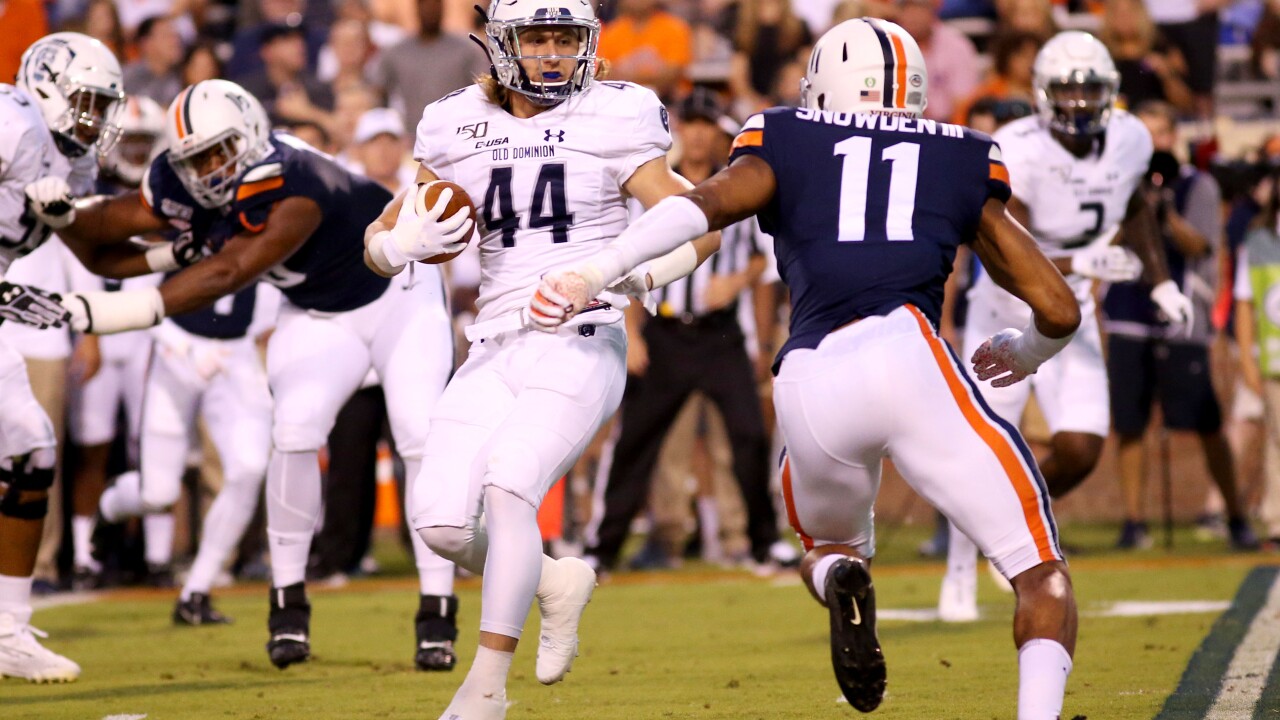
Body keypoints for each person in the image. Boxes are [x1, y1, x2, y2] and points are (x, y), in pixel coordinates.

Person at [532, 17, 1082, 719]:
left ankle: (845, 575)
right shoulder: (962, 155)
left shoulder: (784, 133)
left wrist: (596, 270)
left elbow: (701, 207)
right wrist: (1025, 350)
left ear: (823, 83)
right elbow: (1059, 309)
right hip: (905, 349)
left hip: (810, 377)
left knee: (825, 548)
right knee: (1039, 573)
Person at [14, 79, 458, 672]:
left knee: (418, 435)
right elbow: (103, 241)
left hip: (400, 292)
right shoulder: (180, 177)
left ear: (249, 139)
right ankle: (288, 607)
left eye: (219, 153)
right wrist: (65, 214)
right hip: (318, 309)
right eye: (196, 158)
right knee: (294, 432)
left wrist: (105, 313)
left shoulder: (295, 181)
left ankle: (438, 612)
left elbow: (228, 272)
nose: (208, 170)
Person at [362, 1, 718, 716]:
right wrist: (399, 247)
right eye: (538, 38)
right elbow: (379, 236)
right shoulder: (452, 121)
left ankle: (486, 688)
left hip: (582, 333)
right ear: (501, 44)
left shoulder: (617, 114)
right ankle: (555, 580)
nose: (553, 54)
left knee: (511, 486)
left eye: (566, 38)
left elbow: (697, 220)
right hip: (493, 342)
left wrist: (629, 276)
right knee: (438, 523)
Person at [939, 30, 1192, 623]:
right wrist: (1083, 262)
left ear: (1111, 93)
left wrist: (1160, 281)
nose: (1078, 103)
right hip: (1004, 312)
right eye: (1067, 91)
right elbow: (1006, 247)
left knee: (1079, 449)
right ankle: (959, 572)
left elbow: (1132, 206)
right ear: (1041, 94)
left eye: (1089, 91)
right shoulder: (1014, 147)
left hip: (1071, 316)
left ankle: (1002, 531)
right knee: (984, 453)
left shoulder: (1130, 138)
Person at [584, 88, 783, 574]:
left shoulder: (739, 184)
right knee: (636, 441)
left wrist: (737, 286)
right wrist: (631, 330)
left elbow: (764, 260)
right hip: (665, 333)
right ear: (676, 130)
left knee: (749, 436)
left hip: (720, 335)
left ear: (717, 131)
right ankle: (603, 547)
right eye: (687, 124)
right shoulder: (651, 186)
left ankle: (763, 542)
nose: (695, 134)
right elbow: (623, 258)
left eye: (704, 124)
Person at [0, 31, 124, 683]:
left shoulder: (71, 163)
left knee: (30, 445)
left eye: (104, 106)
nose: (96, 118)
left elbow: (99, 250)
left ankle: (7, 630)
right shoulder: (10, 121)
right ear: (45, 86)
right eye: (87, 101)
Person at [1102, 100, 1258, 551]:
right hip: (1128, 313)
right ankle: (1134, 521)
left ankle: (1234, 514)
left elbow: (1202, 246)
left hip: (1180, 317)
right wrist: (1134, 207)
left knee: (1205, 420)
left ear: (1176, 137)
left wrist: (1164, 211)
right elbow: (1105, 243)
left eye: (1161, 135)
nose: (1154, 146)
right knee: (1130, 423)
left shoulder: (1199, 186)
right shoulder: (1115, 183)